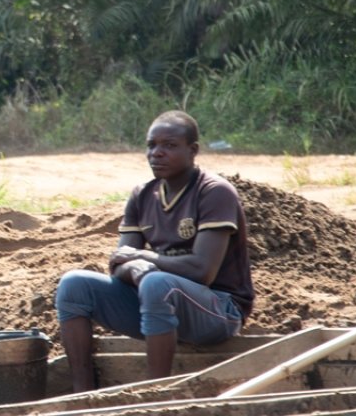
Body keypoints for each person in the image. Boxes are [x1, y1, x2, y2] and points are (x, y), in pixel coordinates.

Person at [54, 110, 253, 391]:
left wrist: (144, 257)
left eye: (169, 146)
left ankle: (154, 393)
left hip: (219, 310)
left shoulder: (214, 192)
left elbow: (202, 271)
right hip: (161, 307)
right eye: (151, 145)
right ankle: (82, 391)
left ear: (192, 150)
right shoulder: (142, 195)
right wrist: (134, 265)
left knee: (156, 282)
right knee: (73, 285)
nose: (157, 153)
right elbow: (119, 262)